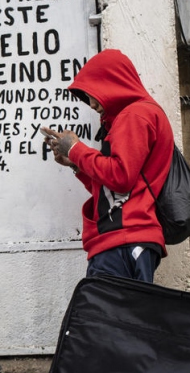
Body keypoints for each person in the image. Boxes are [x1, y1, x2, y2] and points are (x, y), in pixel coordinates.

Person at [42, 49, 174, 283]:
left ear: (112, 83)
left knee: (105, 318)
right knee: (121, 318)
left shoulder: (135, 114)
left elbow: (120, 176)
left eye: (92, 93)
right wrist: (76, 165)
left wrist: (75, 149)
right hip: (124, 239)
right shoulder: (135, 115)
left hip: (124, 240)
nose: (91, 104)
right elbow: (114, 187)